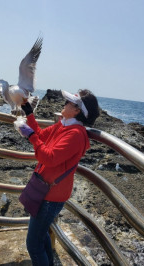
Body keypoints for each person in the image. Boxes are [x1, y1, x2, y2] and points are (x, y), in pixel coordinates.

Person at [18, 89, 100, 266]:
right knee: (41, 236)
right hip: (47, 190)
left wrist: (30, 135)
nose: (65, 104)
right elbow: (40, 136)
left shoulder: (75, 134)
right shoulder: (64, 125)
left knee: (33, 244)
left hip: (51, 195)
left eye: (69, 102)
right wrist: (29, 113)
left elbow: (48, 157)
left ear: (77, 110)